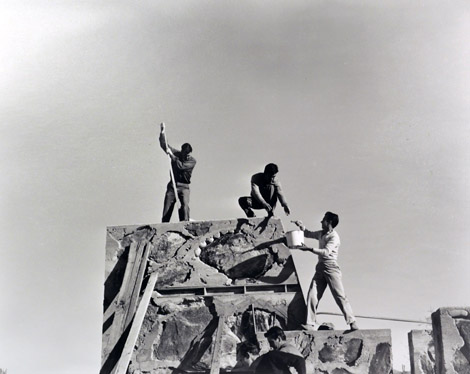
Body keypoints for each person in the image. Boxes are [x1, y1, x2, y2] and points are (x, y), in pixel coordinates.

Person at [293, 212, 358, 331]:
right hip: (320, 268)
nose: (321, 222)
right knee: (313, 294)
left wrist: (309, 249)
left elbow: (326, 252)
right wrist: (301, 227)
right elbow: (308, 233)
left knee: (339, 296)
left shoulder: (334, 237)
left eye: (323, 220)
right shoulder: (321, 233)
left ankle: (352, 322)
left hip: (331, 267)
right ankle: (310, 323)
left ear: (329, 222)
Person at [159, 123, 196, 222]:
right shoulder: (177, 154)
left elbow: (181, 166)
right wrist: (162, 132)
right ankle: (164, 226)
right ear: (182, 151)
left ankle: (185, 223)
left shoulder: (192, 161)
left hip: (184, 187)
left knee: (185, 205)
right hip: (173, 185)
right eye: (184, 153)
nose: (186, 156)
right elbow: (165, 146)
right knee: (167, 207)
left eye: (188, 154)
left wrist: (172, 156)